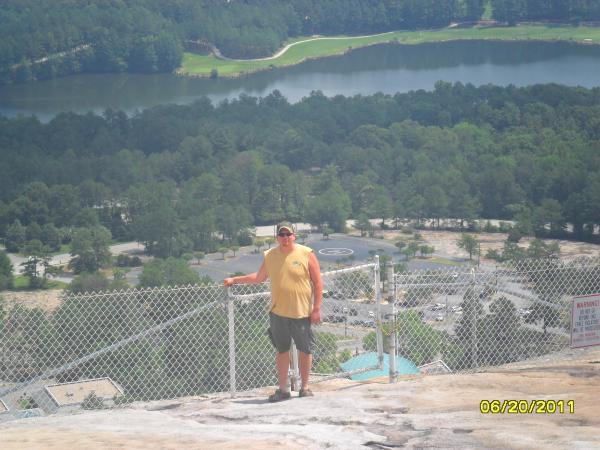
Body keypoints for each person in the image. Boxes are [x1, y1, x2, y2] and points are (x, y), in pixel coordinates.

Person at [224, 222, 323, 402]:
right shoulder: (270, 255)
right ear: (277, 237)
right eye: (281, 235)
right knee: (282, 351)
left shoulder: (306, 254)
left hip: (301, 312)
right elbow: (259, 277)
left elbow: (317, 282)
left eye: (288, 235)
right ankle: (283, 389)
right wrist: (234, 280)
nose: (285, 238)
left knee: (305, 350)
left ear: (294, 235)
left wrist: (316, 308)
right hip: (278, 313)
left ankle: (305, 387)